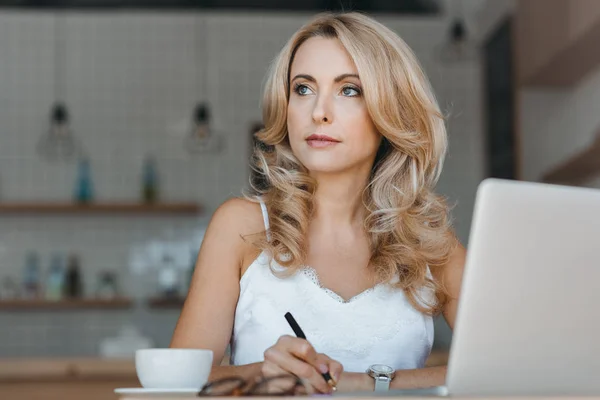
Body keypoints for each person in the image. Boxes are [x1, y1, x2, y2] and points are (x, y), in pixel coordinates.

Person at [171, 11, 466, 394]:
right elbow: (174, 386)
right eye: (303, 89)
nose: (318, 112)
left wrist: (362, 382)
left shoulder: (430, 245)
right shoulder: (240, 227)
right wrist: (256, 375)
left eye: (349, 90)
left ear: (390, 110)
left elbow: (509, 371)